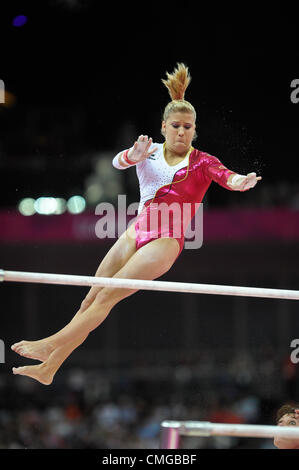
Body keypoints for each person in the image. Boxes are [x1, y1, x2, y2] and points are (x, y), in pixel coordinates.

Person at [10, 63, 262, 385]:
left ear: (195, 129)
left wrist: (240, 181)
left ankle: (51, 342)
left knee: (106, 298)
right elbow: (117, 162)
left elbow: (226, 176)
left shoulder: (203, 162)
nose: (182, 132)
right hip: (136, 230)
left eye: (188, 126)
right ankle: (49, 368)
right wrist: (133, 154)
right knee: (91, 296)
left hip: (165, 241)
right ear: (163, 127)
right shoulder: (149, 151)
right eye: (175, 126)